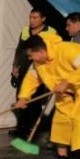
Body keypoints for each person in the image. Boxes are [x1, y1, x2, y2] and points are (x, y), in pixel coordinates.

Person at [10, 8, 61, 138]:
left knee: (36, 99)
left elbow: (51, 51)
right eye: (31, 17)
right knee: (22, 97)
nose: (32, 20)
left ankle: (34, 127)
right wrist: (15, 65)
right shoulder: (25, 30)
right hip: (25, 68)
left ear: (43, 19)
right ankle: (21, 127)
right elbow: (19, 49)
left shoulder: (51, 32)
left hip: (41, 70)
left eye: (35, 18)